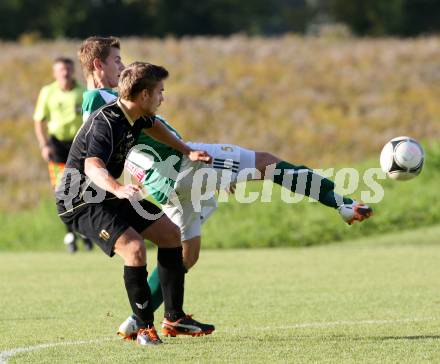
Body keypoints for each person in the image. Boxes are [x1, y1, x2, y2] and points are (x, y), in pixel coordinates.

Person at [78, 36, 373, 340]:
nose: (122, 66)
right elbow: (100, 145)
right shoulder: (100, 100)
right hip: (182, 167)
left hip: (168, 179)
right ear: (98, 65)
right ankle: (343, 204)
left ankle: (144, 320)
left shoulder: (114, 103)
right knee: (266, 163)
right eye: (116, 60)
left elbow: (131, 140)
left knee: (184, 254)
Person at [55, 62, 215, 346]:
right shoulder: (108, 122)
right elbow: (92, 166)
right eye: (160, 92)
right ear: (143, 96)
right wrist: (118, 188)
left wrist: (187, 150)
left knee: (169, 235)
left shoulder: (137, 116)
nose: (163, 98)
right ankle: (143, 329)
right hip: (79, 199)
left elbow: (155, 128)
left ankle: (175, 318)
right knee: (134, 248)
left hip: (106, 193)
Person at [33, 57, 93, 253]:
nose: (64, 73)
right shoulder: (48, 92)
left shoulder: (82, 92)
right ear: (55, 73)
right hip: (57, 145)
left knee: (82, 187)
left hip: (79, 144)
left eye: (67, 69)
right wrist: (44, 145)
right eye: (60, 70)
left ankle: (84, 230)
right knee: (62, 189)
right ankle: (69, 233)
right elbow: (38, 120)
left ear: (72, 71)